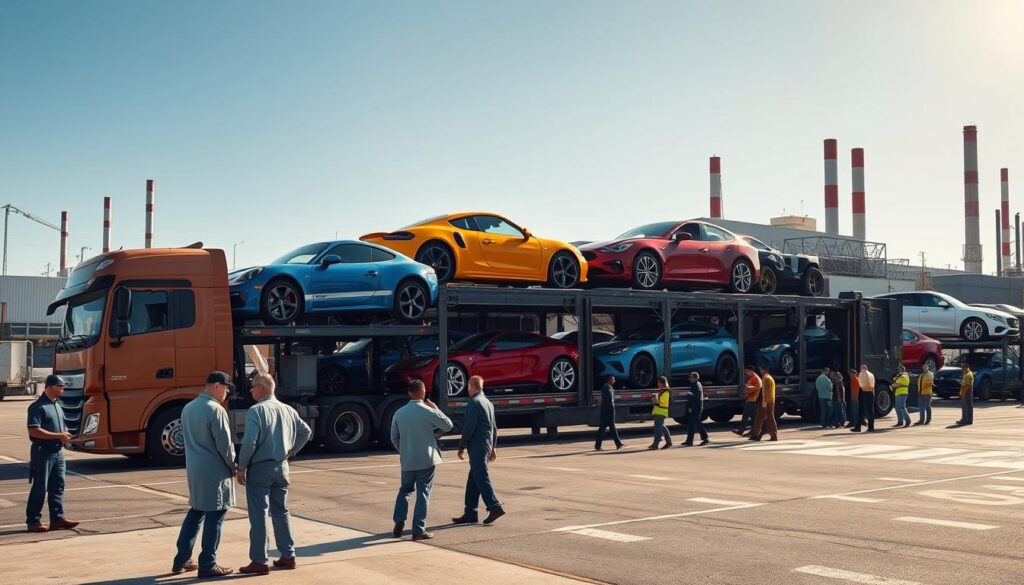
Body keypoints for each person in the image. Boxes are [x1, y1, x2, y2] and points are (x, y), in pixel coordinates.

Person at [236, 373, 313, 574]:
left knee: (259, 513)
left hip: (261, 467)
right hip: (282, 467)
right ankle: (288, 555)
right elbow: (306, 432)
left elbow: (250, 442)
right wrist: (292, 451)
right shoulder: (288, 409)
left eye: (252, 386)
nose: (251, 390)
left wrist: (241, 466)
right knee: (281, 511)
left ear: (261, 388)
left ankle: (259, 560)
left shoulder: (256, 410)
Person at [173, 372, 237, 578]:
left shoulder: (188, 408)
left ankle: (181, 558)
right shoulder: (215, 410)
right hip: (215, 471)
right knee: (216, 516)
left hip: (195, 468)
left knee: (196, 512)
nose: (227, 392)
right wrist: (234, 466)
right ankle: (208, 563)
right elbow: (225, 446)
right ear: (217, 386)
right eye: (226, 388)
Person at [391, 379, 453, 541]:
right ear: (423, 392)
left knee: (405, 490)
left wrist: (404, 450)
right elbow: (448, 425)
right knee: (423, 493)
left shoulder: (399, 413)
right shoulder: (427, 411)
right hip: (426, 458)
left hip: (408, 459)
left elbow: (394, 437)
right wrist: (437, 409)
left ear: (409, 393)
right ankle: (418, 530)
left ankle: (399, 520)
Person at [25, 375, 78, 533]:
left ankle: (57, 519)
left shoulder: (57, 404)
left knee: (58, 486)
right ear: (51, 387)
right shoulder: (37, 406)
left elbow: (60, 427)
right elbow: (33, 430)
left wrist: (65, 434)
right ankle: (33, 521)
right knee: (40, 487)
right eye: (60, 386)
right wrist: (58, 436)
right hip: (43, 453)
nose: (63, 389)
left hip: (57, 453)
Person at [452, 376, 505, 525]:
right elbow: (494, 427)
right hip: (486, 444)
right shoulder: (488, 402)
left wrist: (461, 446)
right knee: (473, 479)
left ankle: (495, 506)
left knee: (481, 477)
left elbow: (469, 427)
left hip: (477, 445)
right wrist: (493, 447)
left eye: (468, 386)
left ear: (471, 386)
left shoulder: (474, 403)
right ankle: (470, 512)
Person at [595, 376, 625, 450]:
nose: (614, 381)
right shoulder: (607, 388)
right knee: (609, 428)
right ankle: (618, 444)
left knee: (606, 428)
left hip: (605, 411)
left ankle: (598, 445)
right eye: (613, 379)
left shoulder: (606, 387)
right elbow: (609, 401)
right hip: (608, 412)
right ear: (610, 380)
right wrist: (613, 411)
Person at [749, 366, 778, 441]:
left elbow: (765, 392)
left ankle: (773, 436)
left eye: (761, 369)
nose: (760, 371)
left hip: (767, 402)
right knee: (760, 418)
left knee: (769, 419)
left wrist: (764, 403)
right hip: (770, 401)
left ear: (764, 370)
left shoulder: (766, 379)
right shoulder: (769, 378)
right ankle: (756, 435)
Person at [682, 372, 709, 446]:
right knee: (693, 423)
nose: (690, 379)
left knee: (696, 423)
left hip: (697, 407)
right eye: (690, 377)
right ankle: (689, 441)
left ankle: (705, 438)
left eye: (692, 377)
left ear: (696, 378)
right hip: (694, 407)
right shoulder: (694, 385)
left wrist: (690, 394)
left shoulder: (697, 385)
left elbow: (696, 396)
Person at [734, 366, 761, 436]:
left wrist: (747, 388)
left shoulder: (755, 378)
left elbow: (755, 388)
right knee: (752, 417)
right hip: (751, 400)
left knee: (746, 416)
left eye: (747, 371)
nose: (746, 373)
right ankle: (752, 431)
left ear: (751, 371)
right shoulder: (753, 378)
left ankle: (743, 431)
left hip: (752, 400)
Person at [648, 376, 673, 449]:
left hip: (661, 412)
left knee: (657, 429)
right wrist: (654, 396)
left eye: (659, 382)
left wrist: (653, 398)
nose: (658, 384)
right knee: (662, 427)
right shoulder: (662, 391)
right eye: (658, 382)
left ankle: (655, 444)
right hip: (659, 412)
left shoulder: (665, 392)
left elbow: (660, 403)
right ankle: (669, 442)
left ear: (663, 383)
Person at [852, 364, 876, 432]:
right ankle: (871, 427)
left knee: (861, 410)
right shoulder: (871, 374)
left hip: (865, 392)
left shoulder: (862, 374)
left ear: (862, 368)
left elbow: (860, 384)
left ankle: (858, 427)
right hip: (871, 392)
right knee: (870, 410)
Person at [956, 361, 974, 426]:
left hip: (967, 392)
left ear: (966, 367)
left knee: (967, 406)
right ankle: (965, 419)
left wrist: (963, 393)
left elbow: (967, 385)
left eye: (963, 367)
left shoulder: (968, 374)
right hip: (965, 392)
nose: (961, 369)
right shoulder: (966, 374)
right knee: (965, 406)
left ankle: (967, 420)